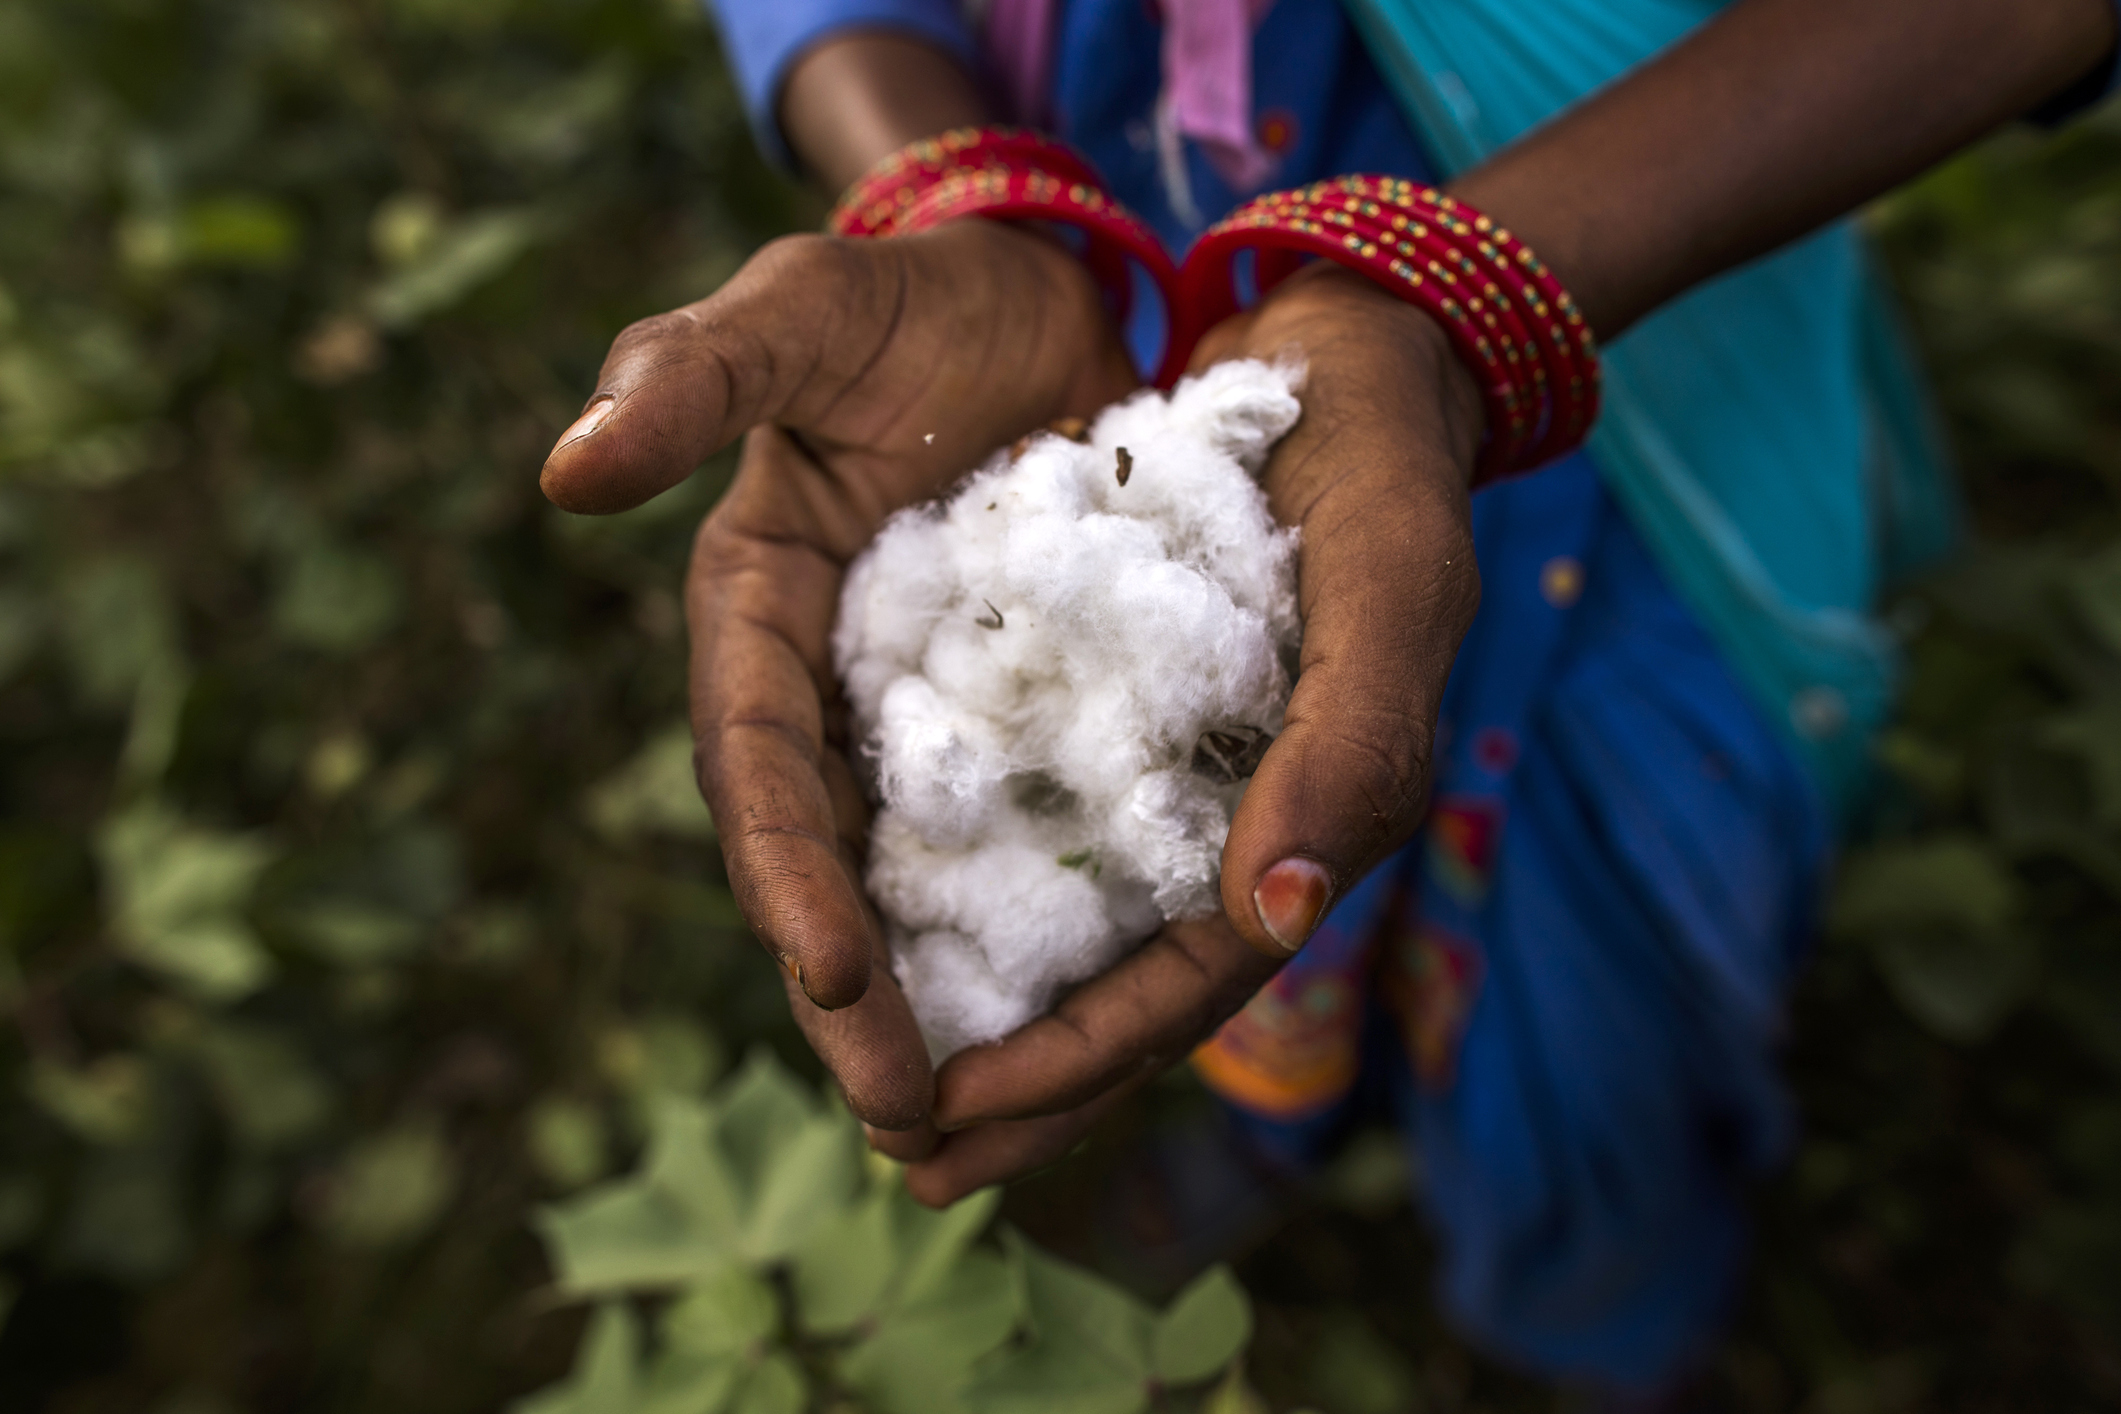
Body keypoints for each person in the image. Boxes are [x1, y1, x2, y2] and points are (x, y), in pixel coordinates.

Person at [537, 0, 2119, 1397]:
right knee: (1278, 858)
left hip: (1653, 253)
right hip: (1124, 209)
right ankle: (1290, 1117)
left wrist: (1448, 304)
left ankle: (1600, 1322)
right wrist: (948, 186)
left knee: (1570, 966)